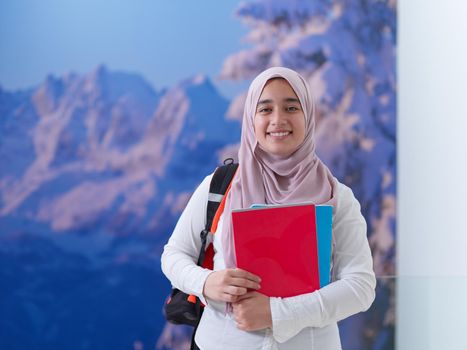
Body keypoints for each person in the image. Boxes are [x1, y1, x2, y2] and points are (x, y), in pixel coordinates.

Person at [161, 67, 376, 350]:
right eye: (265, 109)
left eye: (291, 107)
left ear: (308, 116)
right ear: (251, 119)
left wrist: (276, 313)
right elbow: (174, 255)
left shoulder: (337, 196)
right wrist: (206, 282)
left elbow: (360, 287)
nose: (278, 120)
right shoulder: (220, 186)